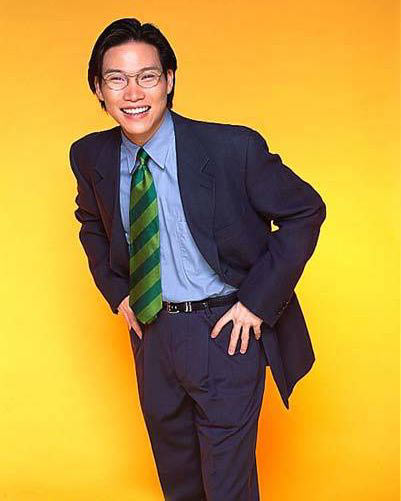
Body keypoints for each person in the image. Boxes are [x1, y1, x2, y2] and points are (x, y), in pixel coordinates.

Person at [69, 17, 326, 501]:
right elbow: (90, 223)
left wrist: (255, 303)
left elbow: (305, 211)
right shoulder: (90, 156)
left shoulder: (232, 148)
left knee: (227, 489)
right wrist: (118, 292)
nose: (132, 93)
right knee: (179, 484)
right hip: (152, 333)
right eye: (116, 79)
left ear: (168, 80)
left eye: (147, 76)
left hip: (224, 333)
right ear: (98, 89)